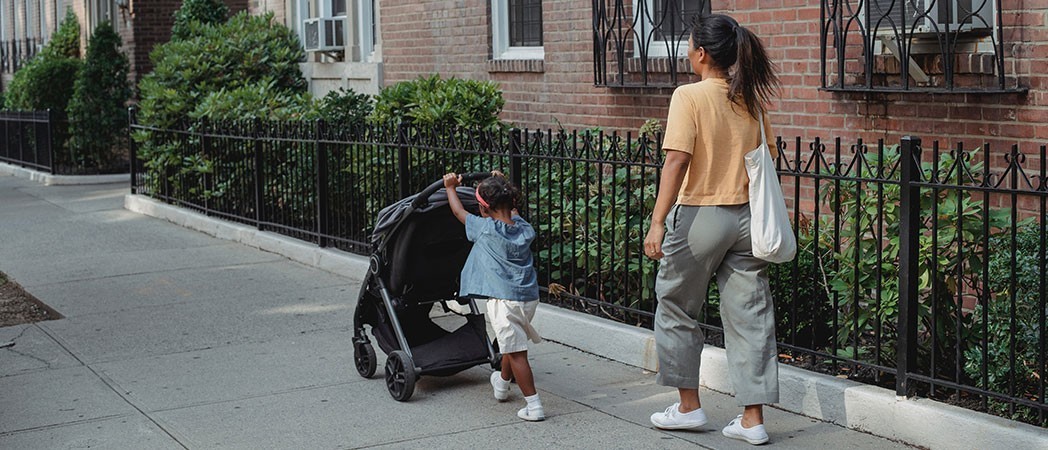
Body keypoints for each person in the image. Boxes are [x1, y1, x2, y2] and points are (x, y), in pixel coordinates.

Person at [642, 14, 781, 446]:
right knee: (750, 316)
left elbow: (676, 161)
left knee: (677, 307)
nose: (686, 51)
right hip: (746, 220)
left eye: (688, 45)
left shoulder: (689, 96)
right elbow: (767, 159)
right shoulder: (750, 101)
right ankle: (752, 419)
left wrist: (657, 221)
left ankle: (688, 408)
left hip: (701, 217)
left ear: (701, 54)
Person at [443, 171, 545, 422]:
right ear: (511, 204)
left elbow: (458, 213)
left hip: (504, 301)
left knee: (518, 352)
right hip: (528, 298)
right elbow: (515, 212)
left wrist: (450, 188)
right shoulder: (524, 228)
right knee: (512, 343)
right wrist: (500, 181)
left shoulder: (485, 229)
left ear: (483, 209)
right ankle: (501, 383)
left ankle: (534, 406)